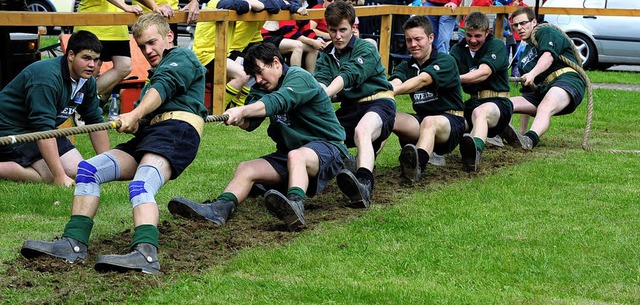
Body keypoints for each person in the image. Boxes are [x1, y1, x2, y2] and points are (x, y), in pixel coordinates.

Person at [20, 13, 208, 274]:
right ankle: (73, 244)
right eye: (142, 46)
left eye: (152, 42)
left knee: (142, 184)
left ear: (169, 37)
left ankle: (146, 254)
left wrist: (136, 113)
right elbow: (154, 97)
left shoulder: (182, 58)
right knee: (88, 170)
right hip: (151, 135)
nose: (148, 50)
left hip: (178, 131)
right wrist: (136, 121)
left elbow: (165, 86)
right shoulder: (157, 72)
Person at [168, 42, 348, 231]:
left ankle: (295, 205)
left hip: (329, 148)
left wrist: (243, 110)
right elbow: (251, 123)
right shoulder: (262, 87)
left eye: (260, 72)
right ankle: (218, 210)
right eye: (253, 75)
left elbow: (276, 102)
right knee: (246, 168)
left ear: (276, 63)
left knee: (297, 155)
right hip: (290, 154)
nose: (258, 79)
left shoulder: (299, 77)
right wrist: (240, 119)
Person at [0, 31, 110, 186]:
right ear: (71, 55)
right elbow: (43, 128)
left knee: (77, 170)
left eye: (95, 59)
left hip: (40, 129)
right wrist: (60, 176)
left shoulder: (87, 81)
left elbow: (95, 121)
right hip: (11, 131)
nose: (92, 65)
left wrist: (109, 166)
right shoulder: (46, 78)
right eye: (86, 58)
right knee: (50, 176)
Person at [315, 0, 396, 208]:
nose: (338, 36)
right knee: (320, 136)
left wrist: (323, 94)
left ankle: (364, 184)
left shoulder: (366, 48)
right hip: (350, 108)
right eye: (333, 31)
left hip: (379, 102)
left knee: (362, 131)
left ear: (353, 27)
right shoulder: (326, 55)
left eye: (343, 30)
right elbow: (321, 80)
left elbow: (348, 75)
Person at [388, 16, 464, 182]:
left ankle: (416, 166)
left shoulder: (446, 61)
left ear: (431, 38)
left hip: (451, 122)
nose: (413, 44)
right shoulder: (406, 66)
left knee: (430, 121)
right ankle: (364, 166)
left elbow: (423, 80)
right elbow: (394, 82)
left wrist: (393, 92)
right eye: (409, 40)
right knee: (385, 116)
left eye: (418, 39)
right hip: (421, 121)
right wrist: (386, 90)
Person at [449, 11, 521, 172]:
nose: (473, 40)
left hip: (498, 102)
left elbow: (483, 73)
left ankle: (474, 152)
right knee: (451, 119)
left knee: (480, 112)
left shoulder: (497, 45)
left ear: (487, 32)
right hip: (472, 101)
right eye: (469, 35)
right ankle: (432, 152)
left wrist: (454, 79)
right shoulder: (457, 50)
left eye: (478, 36)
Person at [509, 7, 585, 150]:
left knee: (545, 106)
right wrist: (521, 132)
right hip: (543, 90)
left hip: (567, 80)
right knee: (507, 104)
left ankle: (529, 140)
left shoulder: (545, 31)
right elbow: (527, 92)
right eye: (515, 25)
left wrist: (532, 74)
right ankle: (501, 135)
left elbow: (548, 57)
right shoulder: (524, 56)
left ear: (534, 22)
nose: (519, 28)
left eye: (523, 23)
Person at [74, 0, 168, 101]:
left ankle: (84, 100)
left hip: (117, 26)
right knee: (92, 69)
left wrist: (154, 7)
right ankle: (79, 104)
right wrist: (125, 6)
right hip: (93, 23)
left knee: (124, 66)